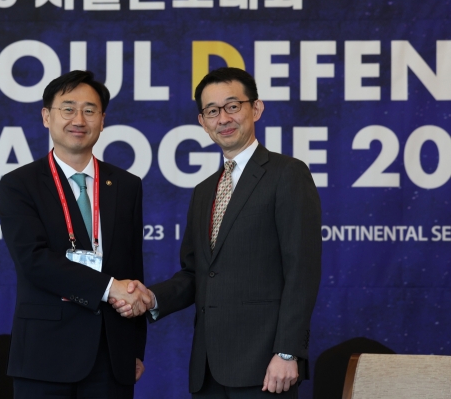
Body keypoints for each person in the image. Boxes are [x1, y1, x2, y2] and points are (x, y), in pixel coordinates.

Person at [111, 67, 322, 398]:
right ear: (202, 122)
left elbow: (302, 270)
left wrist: (287, 352)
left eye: (232, 106)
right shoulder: (204, 190)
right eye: (212, 111)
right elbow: (197, 274)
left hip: (265, 367)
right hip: (207, 370)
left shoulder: (287, 174)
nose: (223, 118)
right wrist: (151, 298)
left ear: (256, 108)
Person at [0, 70, 149, 398]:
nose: (78, 119)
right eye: (68, 108)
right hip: (44, 357)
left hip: (111, 356)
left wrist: (135, 348)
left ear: (102, 119)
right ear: (46, 116)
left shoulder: (126, 185)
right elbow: (33, 261)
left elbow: (132, 267)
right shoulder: (19, 184)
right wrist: (110, 288)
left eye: (89, 110)